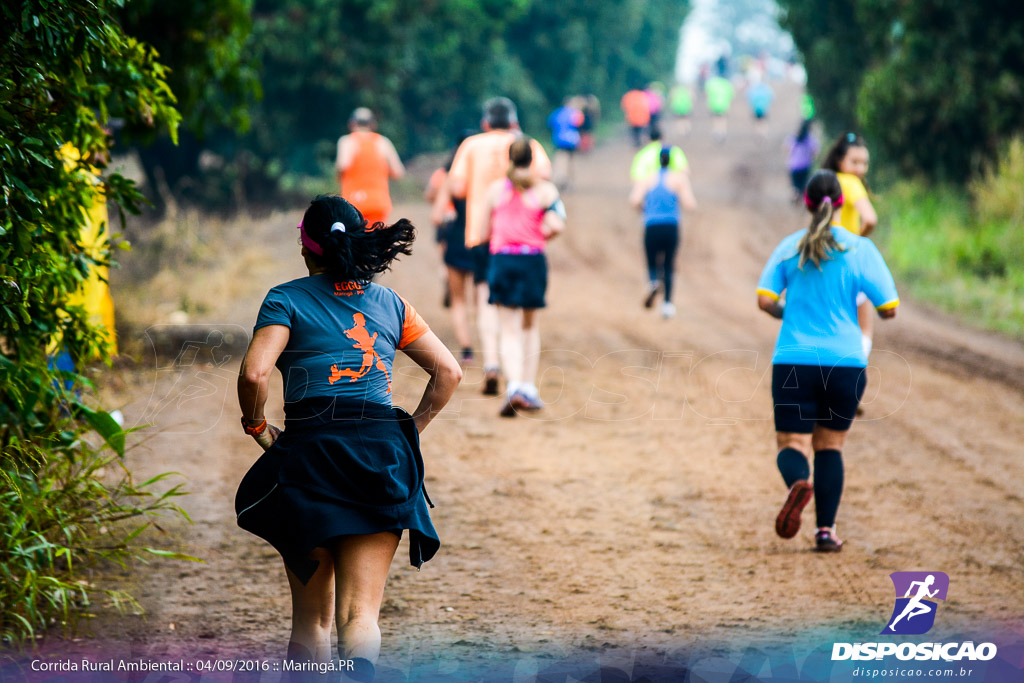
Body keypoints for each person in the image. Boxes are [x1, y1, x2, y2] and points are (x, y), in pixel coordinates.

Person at [235, 195, 462, 681]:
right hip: (380, 460)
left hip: (309, 459)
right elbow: (448, 371)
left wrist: (256, 425)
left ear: (306, 247)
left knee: (312, 621)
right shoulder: (391, 304)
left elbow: (255, 375)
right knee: (361, 617)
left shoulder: (285, 299)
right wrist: (409, 431)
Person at [756, 170, 899, 552]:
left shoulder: (789, 247)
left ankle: (799, 484)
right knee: (830, 446)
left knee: (791, 442)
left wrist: (788, 312)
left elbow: (765, 300)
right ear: (840, 204)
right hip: (846, 365)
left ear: (806, 203)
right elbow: (889, 308)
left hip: (793, 361)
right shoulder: (860, 249)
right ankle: (825, 532)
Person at [448, 97, 552, 396]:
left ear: (485, 123)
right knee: (524, 316)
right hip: (521, 238)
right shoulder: (527, 145)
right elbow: (543, 178)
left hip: (481, 235)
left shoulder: (471, 145)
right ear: (514, 122)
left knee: (485, 299)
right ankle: (519, 374)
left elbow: (457, 188)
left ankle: (492, 363)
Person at [477, 139, 565, 416]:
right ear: (533, 159)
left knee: (508, 328)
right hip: (532, 260)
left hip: (503, 260)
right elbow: (558, 225)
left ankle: (513, 385)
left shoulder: (495, 191)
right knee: (530, 327)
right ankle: (528, 387)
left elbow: (482, 232)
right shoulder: (545, 190)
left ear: (510, 159)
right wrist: (540, 233)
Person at [822, 133, 879, 359]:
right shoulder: (851, 183)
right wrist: (857, 240)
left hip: (824, 256)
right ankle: (857, 360)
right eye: (854, 162)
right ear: (840, 161)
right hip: (848, 259)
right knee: (864, 321)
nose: (860, 168)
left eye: (864, 163)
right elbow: (870, 219)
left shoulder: (825, 181)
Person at [629, 147, 698, 319]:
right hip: (671, 226)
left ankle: (653, 282)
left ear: (658, 160)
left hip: (651, 224)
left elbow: (635, 200)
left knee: (652, 261)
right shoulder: (678, 179)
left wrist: (645, 210)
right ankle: (667, 304)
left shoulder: (647, 179)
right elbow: (690, 204)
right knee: (668, 264)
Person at [429, 132, 476, 363]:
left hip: (456, 240)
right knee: (483, 300)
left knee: (458, 300)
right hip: (481, 241)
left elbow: (436, 216)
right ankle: (492, 353)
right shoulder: (483, 178)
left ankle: (467, 349)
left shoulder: (449, 177)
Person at [336, 108, 405, 226]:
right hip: (378, 202)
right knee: (375, 240)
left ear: (352, 123)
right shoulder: (383, 142)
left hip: (353, 203)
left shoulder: (347, 141)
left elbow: (342, 165)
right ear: (373, 124)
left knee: (355, 240)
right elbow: (398, 172)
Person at [546, 97, 584, 189]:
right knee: (570, 161)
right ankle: (568, 181)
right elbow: (580, 123)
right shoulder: (575, 113)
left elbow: (550, 123)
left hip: (558, 140)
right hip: (571, 141)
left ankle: (560, 179)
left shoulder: (557, 112)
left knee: (560, 159)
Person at [786, 119, 818, 203]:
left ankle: (796, 195)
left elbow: (786, 148)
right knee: (803, 185)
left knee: (795, 185)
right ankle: (804, 200)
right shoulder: (809, 139)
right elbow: (815, 150)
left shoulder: (794, 138)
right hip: (805, 165)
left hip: (793, 166)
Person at [704, 74, 734, 143]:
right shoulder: (727, 84)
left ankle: (716, 132)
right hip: (724, 105)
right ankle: (723, 132)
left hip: (714, 105)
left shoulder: (712, 84)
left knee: (715, 120)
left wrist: (709, 105)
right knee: (723, 120)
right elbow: (731, 95)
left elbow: (708, 95)